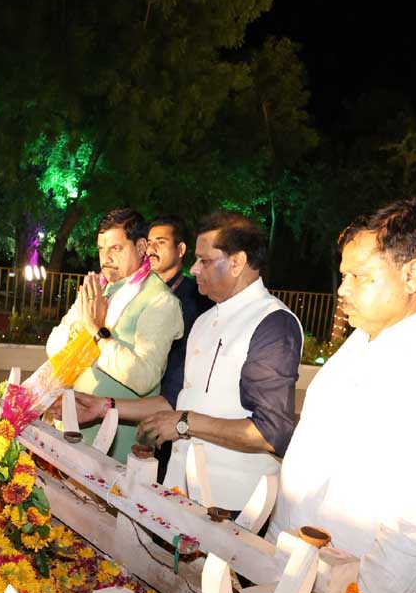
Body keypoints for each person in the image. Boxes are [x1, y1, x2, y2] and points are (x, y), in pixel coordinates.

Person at [267, 198, 416, 593]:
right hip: (303, 589)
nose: (342, 289)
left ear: (412, 275)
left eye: (360, 277)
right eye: (343, 275)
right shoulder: (360, 342)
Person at [53, 211, 302, 512]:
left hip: (233, 505)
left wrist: (185, 424)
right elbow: (173, 402)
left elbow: (271, 431)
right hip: (181, 488)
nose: (194, 269)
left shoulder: (272, 323)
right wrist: (104, 406)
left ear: (237, 262)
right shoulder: (204, 321)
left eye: (204, 261)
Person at [46, 208, 182, 461]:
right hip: (71, 424)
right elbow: (54, 346)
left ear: (141, 247)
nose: (106, 258)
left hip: (118, 441)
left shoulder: (159, 300)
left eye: (116, 248)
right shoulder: (97, 288)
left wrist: (95, 331)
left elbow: (144, 377)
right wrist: (86, 327)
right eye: (101, 249)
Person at [146, 215, 214, 478]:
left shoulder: (196, 298)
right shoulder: (140, 293)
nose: (151, 249)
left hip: (171, 410)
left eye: (160, 242)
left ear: (181, 249)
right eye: (149, 242)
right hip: (136, 404)